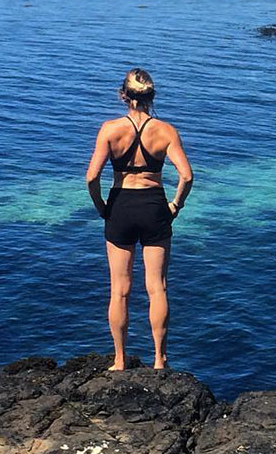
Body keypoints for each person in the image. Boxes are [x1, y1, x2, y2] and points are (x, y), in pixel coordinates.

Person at [86, 68, 193, 371]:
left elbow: (92, 177)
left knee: (119, 289)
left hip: (120, 206)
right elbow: (186, 175)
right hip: (154, 207)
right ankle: (159, 359)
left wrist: (101, 207)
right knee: (157, 287)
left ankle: (119, 361)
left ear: (124, 95)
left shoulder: (110, 130)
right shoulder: (166, 131)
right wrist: (176, 206)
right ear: (151, 97)